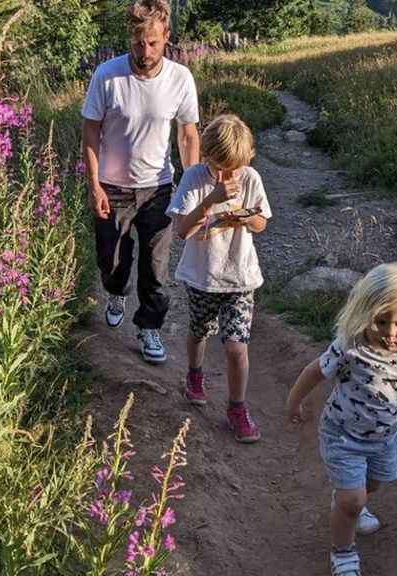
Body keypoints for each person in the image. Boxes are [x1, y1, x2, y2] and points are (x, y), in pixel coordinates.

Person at [285, 262, 397, 576]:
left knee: (371, 485)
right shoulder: (350, 347)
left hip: (386, 439)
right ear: (365, 313)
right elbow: (314, 371)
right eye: (381, 321)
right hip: (342, 436)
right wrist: (294, 401)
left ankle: (348, 500)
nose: (390, 333)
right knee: (353, 500)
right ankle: (343, 551)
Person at [81, 0, 200, 365]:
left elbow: (187, 135)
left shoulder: (180, 78)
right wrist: (94, 186)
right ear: (129, 38)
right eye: (137, 43)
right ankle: (116, 292)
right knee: (112, 261)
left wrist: (190, 189)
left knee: (156, 266)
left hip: (159, 188)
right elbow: (90, 131)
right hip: (112, 187)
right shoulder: (107, 75)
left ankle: (149, 327)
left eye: (152, 43)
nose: (144, 52)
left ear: (166, 37)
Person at [166, 114, 270, 443]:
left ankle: (237, 408)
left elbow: (262, 223)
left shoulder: (250, 178)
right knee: (199, 332)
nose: (228, 175)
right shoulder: (195, 178)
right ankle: (194, 375)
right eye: (220, 167)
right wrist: (211, 200)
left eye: (234, 168)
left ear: (247, 160)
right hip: (202, 275)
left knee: (237, 347)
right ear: (207, 158)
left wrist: (243, 218)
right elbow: (183, 230)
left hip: (240, 277)